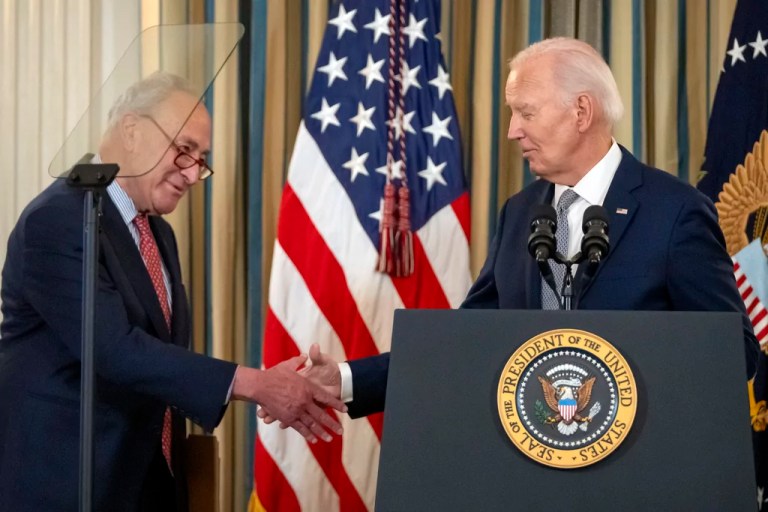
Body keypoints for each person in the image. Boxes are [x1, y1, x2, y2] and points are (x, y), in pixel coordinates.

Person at [260, 36, 760, 422]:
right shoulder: (521, 212)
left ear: (581, 111)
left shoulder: (674, 212)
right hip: (528, 473)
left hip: (641, 473)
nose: (512, 130)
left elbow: (732, 351)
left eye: (525, 112)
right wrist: (346, 379)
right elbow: (470, 341)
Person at [0, 72, 346, 511]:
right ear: (131, 130)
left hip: (147, 482)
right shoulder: (60, 218)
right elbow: (116, 350)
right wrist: (255, 383)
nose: (193, 174)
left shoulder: (158, 233)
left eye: (201, 159)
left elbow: (158, 362)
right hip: (67, 484)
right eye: (184, 150)